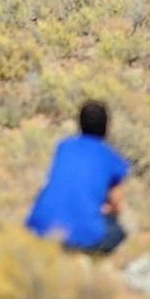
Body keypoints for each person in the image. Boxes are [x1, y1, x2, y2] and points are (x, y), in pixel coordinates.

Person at [25, 100, 130, 254]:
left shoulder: (64, 147)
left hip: (40, 228)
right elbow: (116, 205)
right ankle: (88, 261)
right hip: (83, 237)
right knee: (118, 232)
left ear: (79, 123)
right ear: (106, 127)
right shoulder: (112, 159)